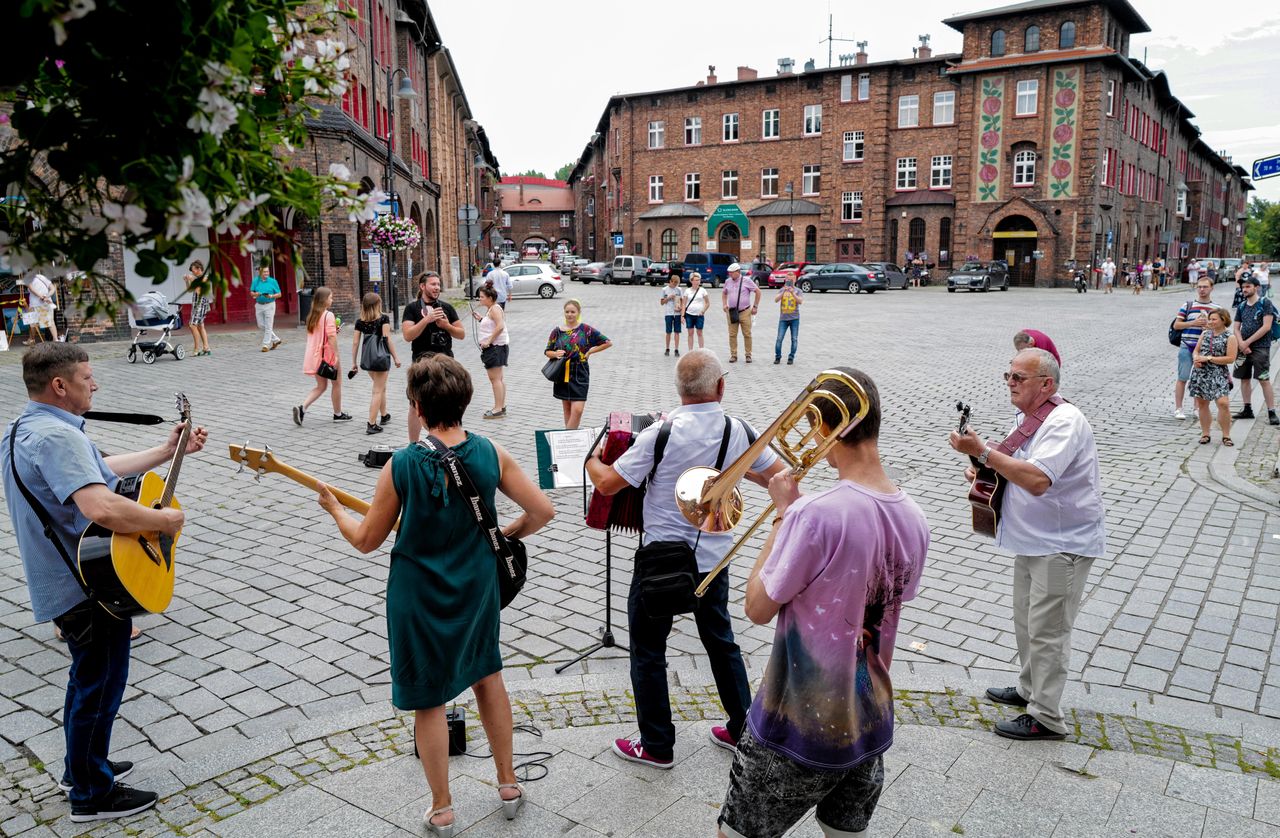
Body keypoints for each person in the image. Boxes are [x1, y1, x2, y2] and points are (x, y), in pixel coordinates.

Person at [317, 355, 554, 837]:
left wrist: (334, 508)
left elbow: (366, 540)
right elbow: (543, 510)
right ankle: (508, 784)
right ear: (465, 402)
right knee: (488, 677)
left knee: (429, 700)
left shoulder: (403, 464)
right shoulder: (491, 452)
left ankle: (442, 808)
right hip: (476, 587)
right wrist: (506, 533)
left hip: (417, 594)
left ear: (418, 407)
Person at [716, 368, 928, 838]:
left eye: (814, 427)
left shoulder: (814, 514)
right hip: (869, 723)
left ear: (831, 429)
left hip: (796, 725)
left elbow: (756, 607)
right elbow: (891, 595)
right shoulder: (915, 517)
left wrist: (782, 516)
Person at [1, 343, 208, 822]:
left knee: (87, 679)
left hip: (64, 579)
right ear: (60, 385)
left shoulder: (27, 428)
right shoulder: (56, 438)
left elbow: (100, 471)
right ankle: (92, 795)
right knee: (101, 685)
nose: (95, 384)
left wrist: (165, 450)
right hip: (86, 584)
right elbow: (103, 507)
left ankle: (81, 767)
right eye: (87, 377)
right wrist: (164, 523)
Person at [586, 350, 786, 768]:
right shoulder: (738, 428)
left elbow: (606, 485)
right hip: (714, 559)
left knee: (647, 650)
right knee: (721, 642)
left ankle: (657, 745)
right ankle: (743, 731)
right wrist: (736, 468)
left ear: (679, 390)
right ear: (721, 386)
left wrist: (588, 458)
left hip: (660, 560)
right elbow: (779, 477)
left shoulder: (659, 433)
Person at [949, 349, 1106, 742]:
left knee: (1049, 631)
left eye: (1019, 377)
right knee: (1027, 622)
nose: (1010, 382)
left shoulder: (1065, 421)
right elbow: (1014, 468)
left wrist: (984, 452)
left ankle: (1047, 716)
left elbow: (1038, 480)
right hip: (1033, 541)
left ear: (1046, 384)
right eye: (1009, 375)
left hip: (1061, 543)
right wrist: (985, 467)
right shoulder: (1027, 418)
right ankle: (1028, 689)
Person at [402, 271, 464, 443]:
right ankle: (413, 444)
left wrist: (446, 326)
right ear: (422, 287)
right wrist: (426, 320)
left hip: (445, 364)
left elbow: (461, 334)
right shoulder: (412, 309)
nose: (437, 287)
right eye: (433, 284)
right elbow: (408, 335)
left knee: (449, 402)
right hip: (421, 365)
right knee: (415, 405)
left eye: (438, 284)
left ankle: (449, 442)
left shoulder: (447, 308)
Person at [544, 298, 611, 430]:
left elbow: (607, 342)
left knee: (578, 410)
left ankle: (566, 437)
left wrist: (591, 351)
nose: (570, 314)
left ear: (578, 312)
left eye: (573, 312)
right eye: (567, 311)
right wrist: (555, 353)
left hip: (580, 372)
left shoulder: (585, 329)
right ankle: (571, 442)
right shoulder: (557, 331)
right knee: (567, 409)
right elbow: (547, 351)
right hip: (562, 372)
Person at [292, 287, 351, 425]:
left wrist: (334, 331)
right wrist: (336, 355)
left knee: (321, 386)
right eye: (330, 297)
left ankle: (302, 408)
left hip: (315, 356)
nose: (332, 300)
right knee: (336, 384)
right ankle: (338, 414)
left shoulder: (312, 315)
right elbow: (331, 337)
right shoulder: (328, 315)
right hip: (328, 356)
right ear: (324, 300)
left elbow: (323, 334)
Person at [351, 292, 402, 435]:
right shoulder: (383, 319)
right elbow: (387, 339)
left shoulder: (359, 322)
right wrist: (396, 357)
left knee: (380, 387)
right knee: (377, 391)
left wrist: (354, 363)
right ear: (377, 305)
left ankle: (384, 415)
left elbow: (355, 343)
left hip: (368, 359)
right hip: (381, 359)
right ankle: (371, 424)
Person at [1233, 274, 1279, 425]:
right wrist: (1241, 343)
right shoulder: (1241, 306)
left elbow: (1266, 327)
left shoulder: (1265, 303)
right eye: (1243, 287)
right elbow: (1236, 327)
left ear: (1257, 287)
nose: (1244, 289)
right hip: (1243, 348)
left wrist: (1247, 342)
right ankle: (1247, 408)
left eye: (1248, 286)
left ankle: (1271, 411)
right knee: (1244, 378)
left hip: (1261, 347)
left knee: (1263, 379)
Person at [1172, 277, 1221, 420]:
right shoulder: (1187, 305)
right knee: (1183, 377)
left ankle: (1197, 408)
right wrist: (1194, 322)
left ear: (1212, 288)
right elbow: (1177, 325)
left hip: (1205, 348)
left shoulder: (1216, 309)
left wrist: (1210, 326)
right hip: (1187, 345)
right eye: (1199, 287)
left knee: (1200, 379)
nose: (1202, 289)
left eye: (1205, 287)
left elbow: (1220, 329)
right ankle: (1179, 408)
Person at [1189, 308, 1238, 446]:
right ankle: (1205, 433)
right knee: (1203, 404)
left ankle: (1226, 435)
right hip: (1201, 373)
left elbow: (1230, 358)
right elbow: (1196, 350)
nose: (1210, 322)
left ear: (1223, 320)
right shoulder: (1205, 334)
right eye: (1210, 319)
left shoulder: (1230, 337)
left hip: (1218, 374)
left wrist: (1208, 358)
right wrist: (1196, 359)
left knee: (1223, 403)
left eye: (1214, 319)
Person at [473, 282, 509, 418]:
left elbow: (500, 326)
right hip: (496, 348)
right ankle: (501, 405)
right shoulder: (491, 309)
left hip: (495, 348)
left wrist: (488, 341)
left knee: (495, 379)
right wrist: (481, 319)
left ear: (489, 298)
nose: (480, 299)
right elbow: (492, 324)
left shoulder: (494, 309)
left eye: (482, 297)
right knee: (498, 378)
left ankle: (497, 408)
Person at [721, 262, 761, 363]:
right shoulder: (727, 281)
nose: (729, 274)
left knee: (747, 334)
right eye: (729, 273)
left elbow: (758, 292)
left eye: (731, 272)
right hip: (732, 312)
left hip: (745, 311)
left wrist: (755, 306)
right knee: (732, 334)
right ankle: (733, 355)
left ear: (738, 272)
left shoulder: (747, 280)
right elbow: (724, 293)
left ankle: (748, 355)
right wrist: (724, 304)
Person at [250, 264, 282, 352]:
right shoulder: (255, 281)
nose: (266, 273)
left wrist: (271, 295)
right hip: (259, 305)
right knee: (260, 325)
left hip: (270, 304)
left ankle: (265, 345)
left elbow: (279, 294)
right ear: (260, 272)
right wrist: (256, 294)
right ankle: (276, 340)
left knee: (268, 326)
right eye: (264, 272)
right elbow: (251, 293)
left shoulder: (273, 281)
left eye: (267, 271)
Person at [185, 260, 212, 356]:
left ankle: (196, 349)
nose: (192, 273)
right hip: (196, 304)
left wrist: (193, 280)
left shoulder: (205, 278)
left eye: (193, 270)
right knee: (200, 326)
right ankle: (206, 347)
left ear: (199, 269)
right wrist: (187, 281)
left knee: (192, 325)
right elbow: (190, 290)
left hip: (201, 304)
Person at [773, 276, 802, 365]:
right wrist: (784, 292)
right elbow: (776, 300)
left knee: (794, 339)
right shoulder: (782, 289)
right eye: (788, 279)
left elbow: (800, 301)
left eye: (791, 279)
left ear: (795, 280)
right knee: (779, 338)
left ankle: (791, 357)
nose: (790, 281)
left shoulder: (798, 291)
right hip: (783, 319)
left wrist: (793, 293)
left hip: (794, 319)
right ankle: (778, 357)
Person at [25, 273, 59, 343]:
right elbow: (53, 288)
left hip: (35, 304)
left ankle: (31, 340)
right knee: (50, 322)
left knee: (32, 323)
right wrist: (46, 296)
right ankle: (56, 339)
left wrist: (43, 297)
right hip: (46, 303)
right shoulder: (42, 277)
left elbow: (32, 290)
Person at [682, 273, 710, 352]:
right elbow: (683, 304)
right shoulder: (687, 291)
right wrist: (682, 315)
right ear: (691, 281)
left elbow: (707, 303)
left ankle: (701, 350)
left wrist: (703, 311)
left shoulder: (703, 290)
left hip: (699, 315)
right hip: (689, 315)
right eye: (696, 280)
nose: (698, 282)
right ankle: (690, 351)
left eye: (699, 280)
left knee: (699, 332)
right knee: (690, 333)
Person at [660, 274, 684, 357]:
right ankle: (667, 348)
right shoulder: (664, 289)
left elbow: (682, 301)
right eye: (674, 284)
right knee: (668, 332)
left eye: (676, 284)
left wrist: (681, 309)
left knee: (677, 332)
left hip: (677, 313)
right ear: (670, 281)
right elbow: (662, 303)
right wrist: (669, 298)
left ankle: (676, 349)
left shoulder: (679, 289)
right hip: (668, 313)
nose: (675, 286)